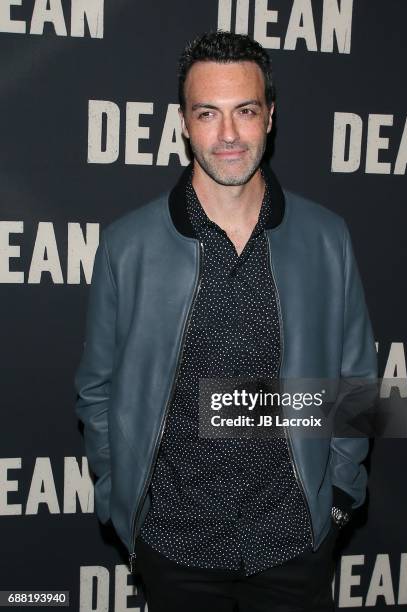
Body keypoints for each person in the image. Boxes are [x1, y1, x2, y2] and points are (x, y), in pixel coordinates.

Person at [74, 31, 378, 612]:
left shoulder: (326, 238)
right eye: (208, 113)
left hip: (294, 545)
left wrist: (339, 496)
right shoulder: (127, 246)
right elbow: (98, 390)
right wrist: (121, 503)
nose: (230, 134)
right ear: (184, 124)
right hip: (174, 549)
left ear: (270, 117)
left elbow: (357, 379)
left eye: (246, 111)